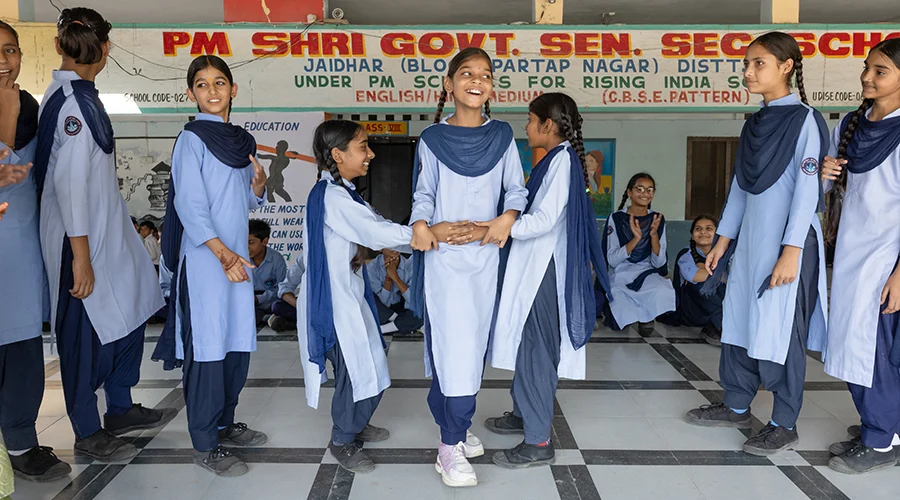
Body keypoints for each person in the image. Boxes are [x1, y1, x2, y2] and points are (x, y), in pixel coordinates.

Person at [34, 7, 173, 463]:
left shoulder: (79, 97)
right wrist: (81, 257)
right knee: (82, 334)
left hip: (104, 234)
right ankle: (88, 430)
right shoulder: (73, 105)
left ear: (59, 45)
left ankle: (119, 406)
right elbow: (70, 186)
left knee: (136, 303)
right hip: (77, 240)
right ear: (107, 48)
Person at [684, 32, 830, 457]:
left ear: (786, 66)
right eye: (746, 64)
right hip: (750, 244)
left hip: (788, 245)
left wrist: (791, 251)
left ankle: (784, 423)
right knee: (740, 321)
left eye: (758, 63)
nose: (748, 72)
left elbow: (806, 191)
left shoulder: (805, 120)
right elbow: (740, 189)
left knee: (780, 330)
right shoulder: (754, 123)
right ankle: (736, 405)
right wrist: (722, 242)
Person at [408, 47, 528, 488]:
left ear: (492, 87)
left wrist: (506, 218)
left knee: (469, 348)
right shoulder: (432, 139)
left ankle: (454, 426)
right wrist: (421, 224)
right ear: (449, 84)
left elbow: (515, 189)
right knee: (454, 347)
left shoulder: (502, 136)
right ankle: (449, 445)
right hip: (445, 260)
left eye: (485, 74)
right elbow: (424, 193)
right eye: (466, 73)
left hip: (485, 257)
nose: (477, 80)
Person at [153, 55, 269, 477]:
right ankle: (205, 442)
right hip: (207, 263)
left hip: (236, 261)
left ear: (233, 89)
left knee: (234, 345)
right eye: (202, 85)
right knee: (206, 349)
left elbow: (240, 202)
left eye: (220, 82)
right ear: (191, 94)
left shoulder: (241, 141)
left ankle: (224, 422)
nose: (212, 91)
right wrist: (223, 255)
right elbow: (191, 206)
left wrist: (258, 188)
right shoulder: (192, 139)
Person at [483, 92, 610, 469]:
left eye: (530, 119)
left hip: (544, 271)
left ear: (548, 125)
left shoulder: (562, 161)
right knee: (528, 345)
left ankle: (538, 441)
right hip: (535, 267)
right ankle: (523, 412)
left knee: (537, 350)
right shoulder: (555, 159)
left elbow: (543, 220)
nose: (526, 127)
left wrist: (500, 226)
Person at [295, 120, 416, 473]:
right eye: (363, 147)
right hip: (333, 302)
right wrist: (424, 234)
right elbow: (375, 232)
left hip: (348, 297)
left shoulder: (342, 192)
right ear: (338, 154)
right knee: (355, 368)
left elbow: (372, 227)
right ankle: (343, 438)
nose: (370, 154)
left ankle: (356, 423)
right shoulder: (334, 197)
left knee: (371, 361)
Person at [822, 38, 900, 474]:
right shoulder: (852, 124)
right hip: (851, 252)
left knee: (872, 348)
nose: (867, 77)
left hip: (886, 256)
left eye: (880, 71)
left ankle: (880, 440)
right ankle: (886, 427)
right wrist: (824, 172)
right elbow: (824, 183)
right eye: (867, 67)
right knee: (855, 343)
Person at [0, 20, 71, 483]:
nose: (3, 60)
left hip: (23, 248)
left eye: (11, 49)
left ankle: (22, 443)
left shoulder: (31, 108)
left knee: (23, 350)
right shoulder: (14, 110)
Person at [602, 173, 675, 336]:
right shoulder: (616, 218)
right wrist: (635, 240)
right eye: (639, 189)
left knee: (661, 289)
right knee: (619, 295)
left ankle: (646, 318)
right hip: (622, 271)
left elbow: (658, 263)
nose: (645, 194)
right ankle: (634, 315)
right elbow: (612, 260)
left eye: (650, 190)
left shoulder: (657, 219)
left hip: (647, 271)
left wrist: (654, 236)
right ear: (629, 192)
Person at [661, 215, 725, 346]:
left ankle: (718, 325)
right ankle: (719, 326)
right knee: (702, 286)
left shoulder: (725, 255)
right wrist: (722, 274)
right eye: (698, 229)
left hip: (716, 305)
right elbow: (695, 277)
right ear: (692, 235)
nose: (703, 232)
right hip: (693, 309)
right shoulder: (686, 255)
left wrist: (706, 271)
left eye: (709, 228)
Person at [366, 249, 423, 335]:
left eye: (397, 244)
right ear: (380, 248)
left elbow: (413, 302)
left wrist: (395, 277)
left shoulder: (410, 266)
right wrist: (388, 279)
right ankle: (401, 323)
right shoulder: (372, 268)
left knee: (420, 313)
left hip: (401, 307)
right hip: (383, 311)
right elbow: (383, 304)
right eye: (390, 245)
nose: (395, 248)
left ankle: (381, 329)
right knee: (367, 297)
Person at [248, 219, 287, 326]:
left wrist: (259, 299)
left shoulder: (277, 259)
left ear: (265, 241)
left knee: (280, 306)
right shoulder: (241, 258)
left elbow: (281, 288)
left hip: (270, 301)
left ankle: (264, 317)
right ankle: (266, 318)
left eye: (251, 242)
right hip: (249, 301)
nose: (247, 247)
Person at [268, 253, 304, 333]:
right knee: (277, 306)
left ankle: (295, 323)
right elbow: (285, 287)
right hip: (310, 307)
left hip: (331, 306)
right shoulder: (305, 258)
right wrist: (301, 307)